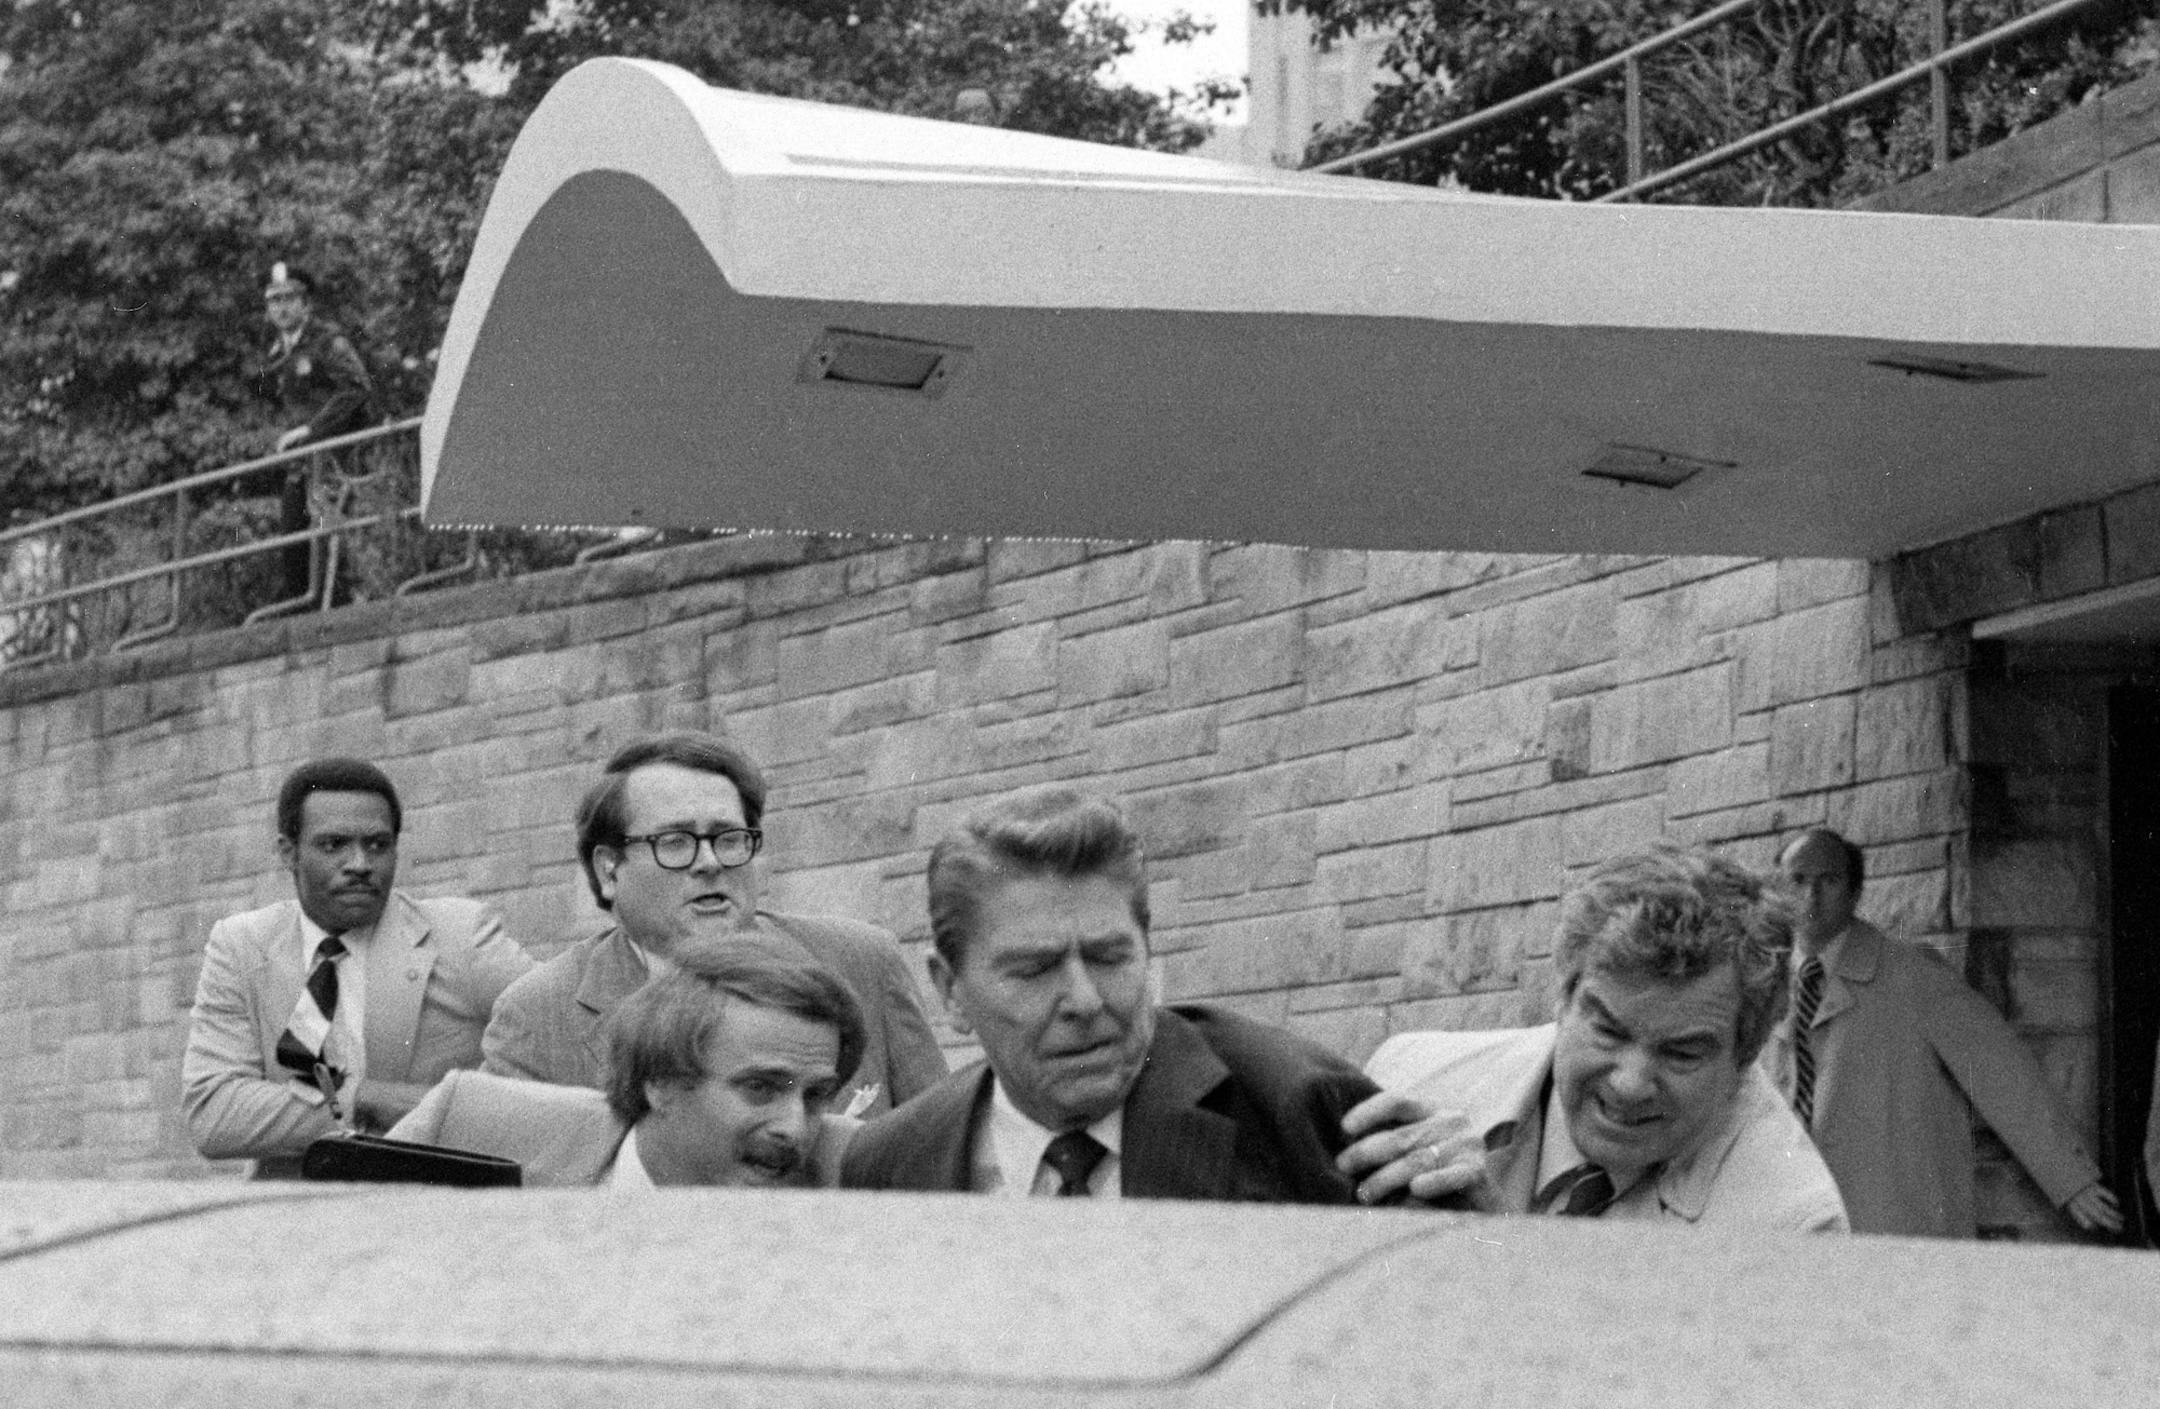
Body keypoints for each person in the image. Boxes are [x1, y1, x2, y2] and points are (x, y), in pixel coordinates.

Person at [841, 786, 1382, 1201]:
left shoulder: (1296, 1108)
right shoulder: (889, 1166)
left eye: (1108, 957)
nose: (1085, 1001)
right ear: (950, 992)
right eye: (1035, 970)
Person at [1342, 845, 1848, 1231]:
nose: (1630, 1084)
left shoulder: (1793, 1225)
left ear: (1747, 1053)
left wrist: (1495, 1248)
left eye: (1681, 1053)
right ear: (1563, 1000)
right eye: (1607, 1030)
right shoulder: (1404, 1078)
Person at [482, 731, 946, 1116]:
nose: (709, 862)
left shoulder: (863, 962)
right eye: (675, 841)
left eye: (728, 838)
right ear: (609, 871)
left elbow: (941, 1150)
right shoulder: (537, 1018)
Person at [181, 758, 533, 1177]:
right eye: (334, 845)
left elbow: (562, 1026)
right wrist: (364, 1097)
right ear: (288, 852)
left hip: (433, 1201)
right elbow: (215, 1113)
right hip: (296, 1206)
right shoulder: (242, 946)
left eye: (378, 845)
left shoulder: (460, 936)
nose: (360, 864)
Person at [1767, 827, 2120, 1238]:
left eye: (1828, 880)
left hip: (1892, 1227)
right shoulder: (1762, 984)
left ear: (1855, 890)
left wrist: (2069, 1178)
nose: (1811, 896)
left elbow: (1997, 1067)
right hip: (1797, 1225)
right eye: (1798, 880)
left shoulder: (1910, 973)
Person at [390, 938, 862, 1187]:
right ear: (661, 1081)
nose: (795, 1129)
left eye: (816, 1095)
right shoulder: (469, 1126)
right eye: (760, 1088)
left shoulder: (856, 1173)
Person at [258, 261, 379, 600]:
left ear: (306, 303)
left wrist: (311, 429)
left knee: (327, 547)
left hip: (334, 460)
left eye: (289, 299)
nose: (281, 308)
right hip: (302, 465)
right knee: (294, 548)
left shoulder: (328, 341)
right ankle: (307, 617)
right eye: (274, 300)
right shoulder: (277, 351)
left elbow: (357, 388)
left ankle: (339, 614)